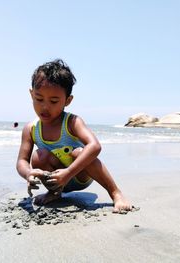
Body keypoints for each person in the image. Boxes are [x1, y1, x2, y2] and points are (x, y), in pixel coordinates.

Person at [16, 59, 131, 212]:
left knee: (79, 152)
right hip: (56, 179)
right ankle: (54, 193)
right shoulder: (31, 129)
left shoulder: (72, 122)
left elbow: (95, 146)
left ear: (68, 101)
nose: (45, 106)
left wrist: (69, 172)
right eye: (39, 99)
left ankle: (115, 193)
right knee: (39, 156)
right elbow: (22, 161)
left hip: (79, 175)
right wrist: (28, 173)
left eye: (54, 101)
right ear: (31, 94)